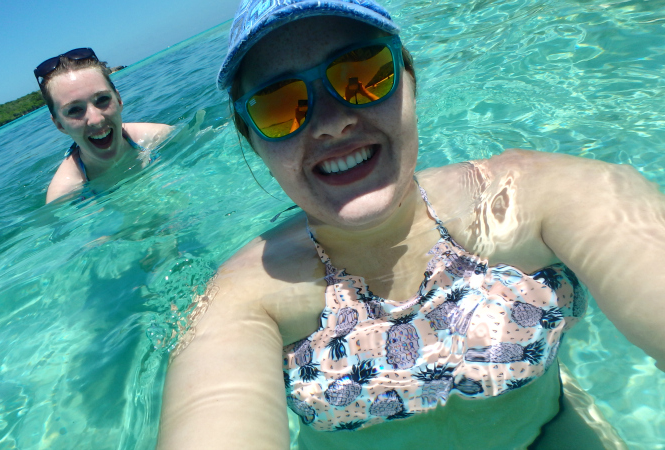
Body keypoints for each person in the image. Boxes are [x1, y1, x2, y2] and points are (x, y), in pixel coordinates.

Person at [158, 1, 665, 448]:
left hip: (550, 434)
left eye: (363, 73)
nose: (332, 122)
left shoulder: (530, 197)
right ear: (253, 142)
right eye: (279, 106)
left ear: (409, 79)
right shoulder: (245, 298)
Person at [34, 48, 173, 203]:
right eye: (74, 110)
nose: (95, 120)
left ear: (119, 100)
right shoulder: (63, 195)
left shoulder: (159, 137)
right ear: (60, 125)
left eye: (102, 100)